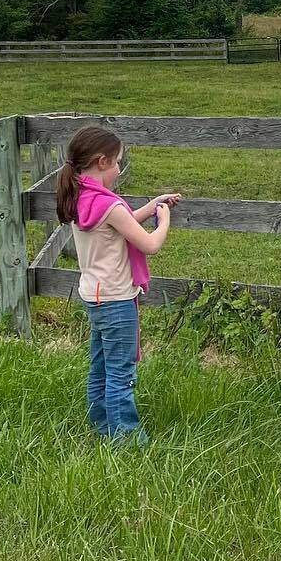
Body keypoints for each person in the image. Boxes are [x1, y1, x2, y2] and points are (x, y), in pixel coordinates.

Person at [55, 124, 181, 445]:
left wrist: (153, 204)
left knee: (100, 369)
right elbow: (150, 244)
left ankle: (102, 428)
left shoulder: (82, 197)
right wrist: (164, 220)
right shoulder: (108, 204)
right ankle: (127, 441)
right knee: (121, 375)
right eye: (117, 162)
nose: (119, 168)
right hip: (116, 300)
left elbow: (120, 223)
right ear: (101, 162)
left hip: (94, 295)